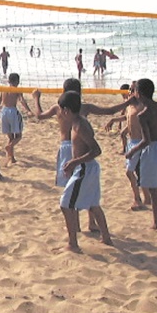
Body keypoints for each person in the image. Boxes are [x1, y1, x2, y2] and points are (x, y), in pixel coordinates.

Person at [32, 78, 134, 232]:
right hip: (80, 148)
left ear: (63, 91)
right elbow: (110, 110)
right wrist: (127, 103)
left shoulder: (59, 108)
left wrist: (36, 98)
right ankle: (90, 222)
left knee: (73, 187)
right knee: (83, 186)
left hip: (70, 148)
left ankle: (76, 225)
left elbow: (39, 115)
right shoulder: (83, 107)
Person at [57, 90, 112, 251]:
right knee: (93, 204)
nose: (61, 114)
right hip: (86, 167)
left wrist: (74, 162)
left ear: (66, 110)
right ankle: (106, 238)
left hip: (85, 168)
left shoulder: (80, 125)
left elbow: (96, 150)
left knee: (66, 204)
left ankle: (73, 244)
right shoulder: (77, 122)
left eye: (62, 111)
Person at [125, 78, 157, 231]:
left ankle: (156, 221)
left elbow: (146, 141)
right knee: (156, 183)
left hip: (152, 148)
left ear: (138, 93)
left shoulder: (143, 114)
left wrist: (132, 151)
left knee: (152, 188)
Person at [105, 84, 152, 211]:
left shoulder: (142, 106)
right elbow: (127, 118)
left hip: (140, 142)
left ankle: (138, 199)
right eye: (129, 90)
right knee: (137, 171)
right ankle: (146, 198)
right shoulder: (129, 105)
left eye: (133, 90)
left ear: (139, 92)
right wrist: (114, 120)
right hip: (132, 141)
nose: (130, 92)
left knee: (130, 172)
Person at [0, 73, 33, 166]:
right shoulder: (17, 90)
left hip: (4, 111)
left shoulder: (3, 89)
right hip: (12, 112)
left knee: (10, 137)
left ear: (8, 81)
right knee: (18, 136)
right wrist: (28, 110)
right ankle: (9, 147)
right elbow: (22, 100)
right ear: (17, 81)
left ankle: (11, 158)